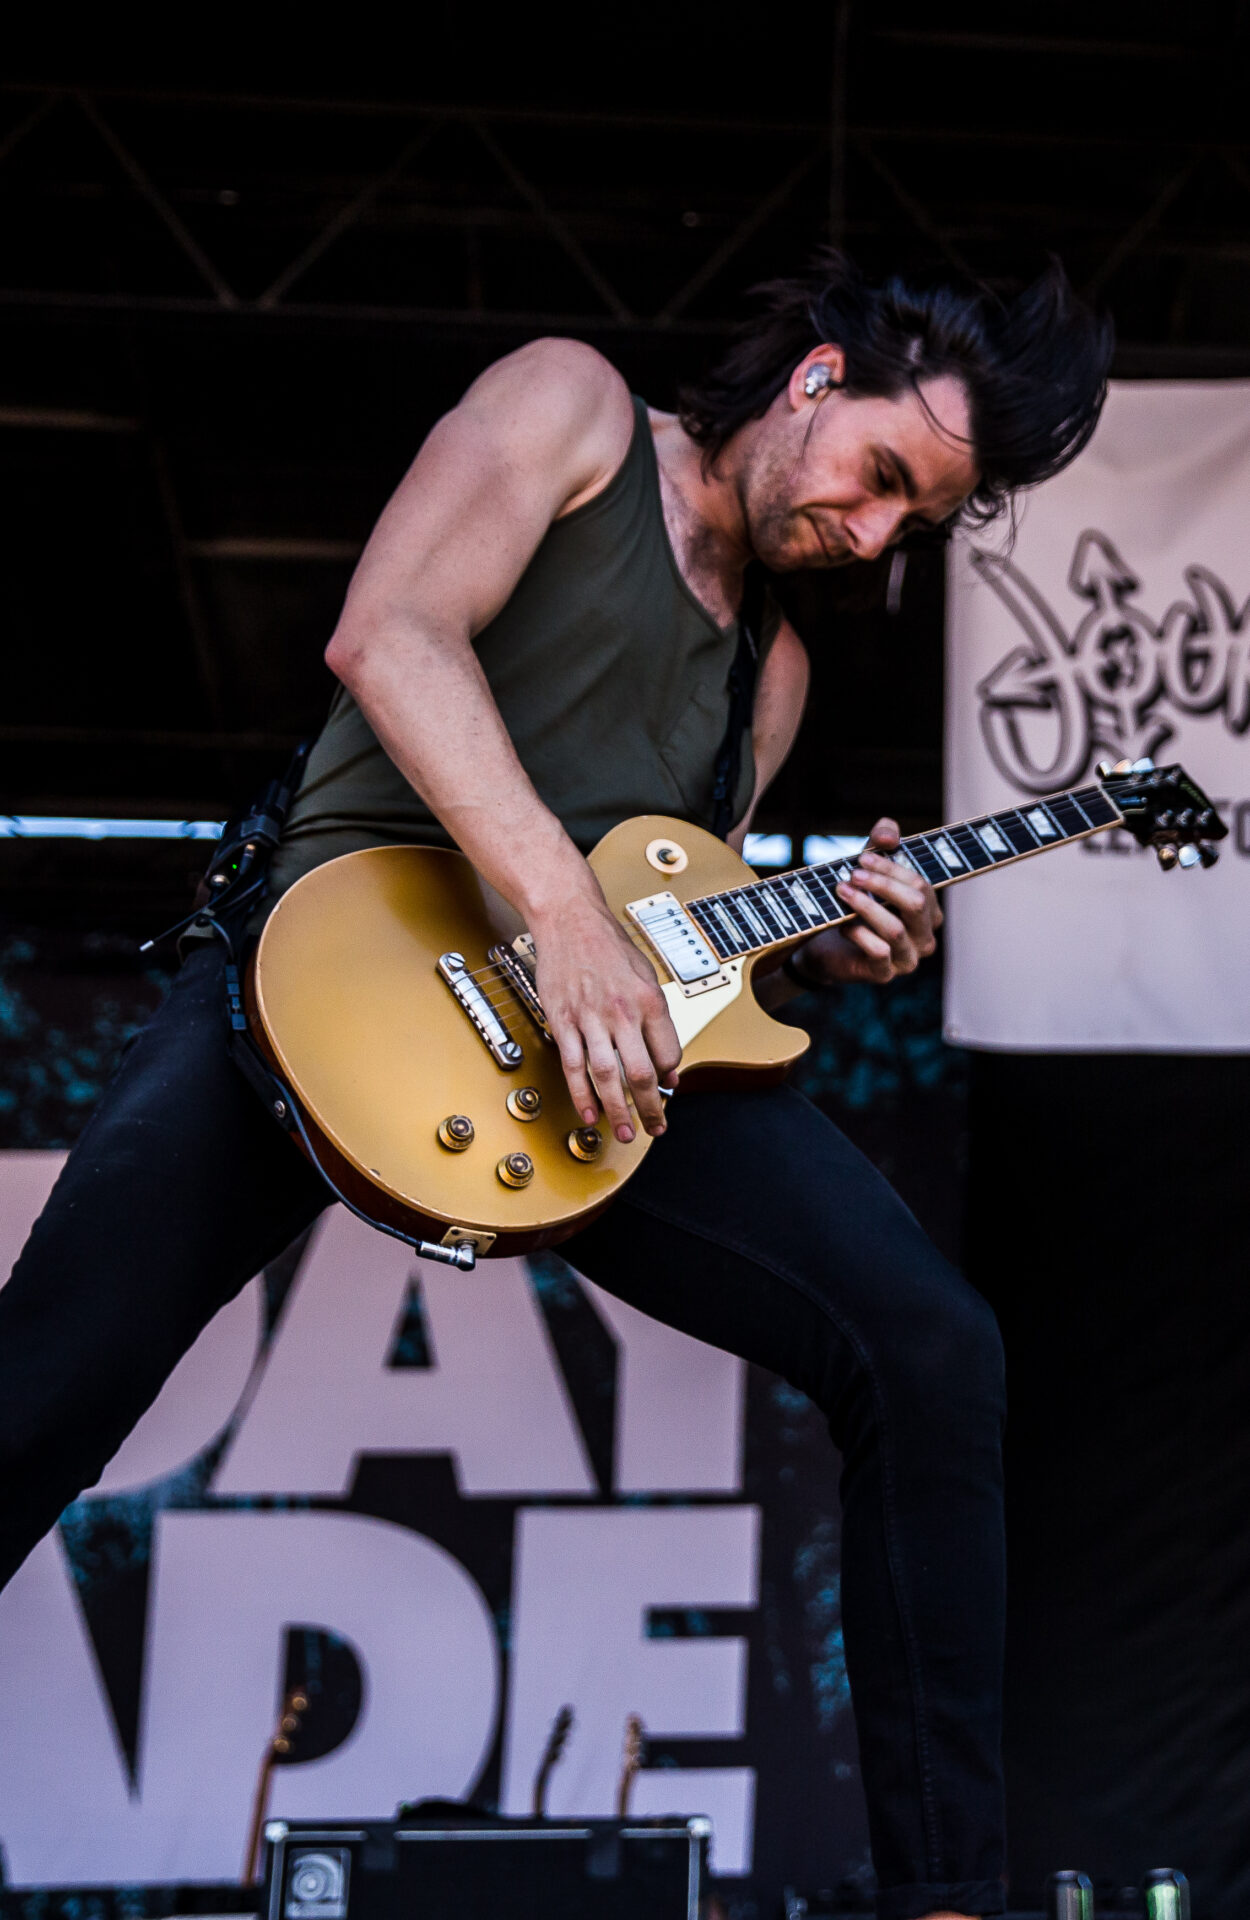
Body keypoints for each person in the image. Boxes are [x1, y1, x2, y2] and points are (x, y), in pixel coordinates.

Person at [0, 254, 1112, 1920]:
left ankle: (947, 1900)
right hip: (325, 968)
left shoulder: (773, 676)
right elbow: (389, 633)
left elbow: (666, 916)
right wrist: (563, 915)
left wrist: (821, 943)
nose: (875, 534)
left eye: (914, 524)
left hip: (574, 1060)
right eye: (883, 474)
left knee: (932, 1346)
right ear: (817, 380)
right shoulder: (574, 406)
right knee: (40, 1397)